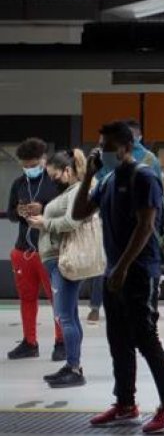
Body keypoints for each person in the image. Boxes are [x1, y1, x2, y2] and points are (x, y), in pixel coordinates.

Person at [71, 121, 164, 434]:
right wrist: (89, 175)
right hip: (115, 272)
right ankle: (125, 405)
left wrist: (121, 267)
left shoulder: (144, 177)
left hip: (139, 272)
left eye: (106, 146)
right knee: (118, 341)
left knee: (146, 339)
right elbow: (78, 213)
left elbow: (146, 226)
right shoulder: (107, 180)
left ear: (124, 148)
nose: (101, 151)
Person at [26, 149, 89, 387]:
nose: (52, 180)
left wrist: (45, 222)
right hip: (56, 259)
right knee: (69, 315)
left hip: (62, 260)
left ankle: (74, 368)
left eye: (54, 175)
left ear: (67, 171)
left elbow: (73, 222)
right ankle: (73, 365)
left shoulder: (75, 192)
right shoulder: (72, 191)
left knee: (64, 316)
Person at [6, 137, 64, 361]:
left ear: (44, 159)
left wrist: (44, 208)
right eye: (25, 166)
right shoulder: (19, 184)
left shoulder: (55, 183)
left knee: (57, 298)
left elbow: (67, 212)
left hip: (49, 251)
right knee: (26, 298)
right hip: (23, 251)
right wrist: (19, 211)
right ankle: (29, 342)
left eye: (33, 164)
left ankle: (61, 342)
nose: (29, 169)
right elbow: (10, 214)